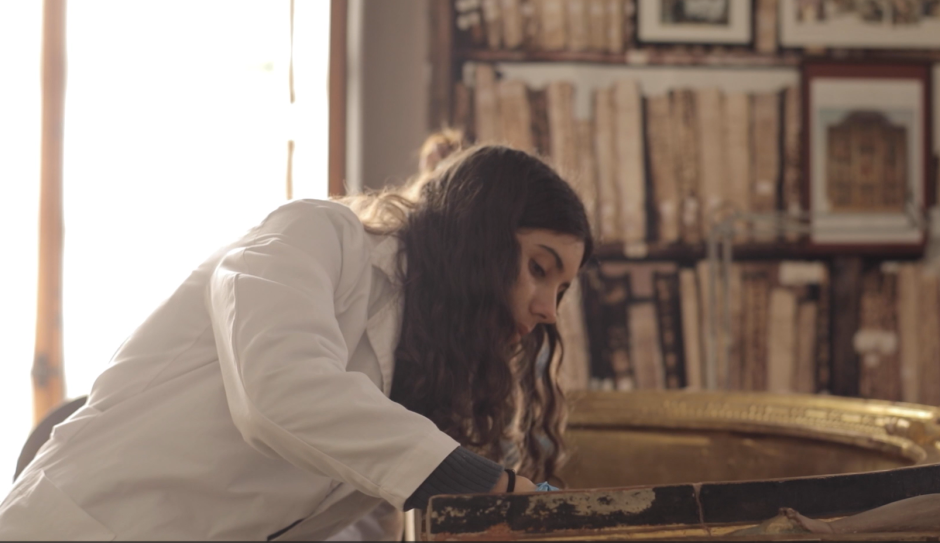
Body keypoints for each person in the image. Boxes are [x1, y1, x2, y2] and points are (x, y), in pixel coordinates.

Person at [0, 143, 594, 540]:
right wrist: (488, 485)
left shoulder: (426, 373)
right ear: (479, 241)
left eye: (562, 290)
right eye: (539, 268)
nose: (546, 310)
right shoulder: (313, 235)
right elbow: (280, 392)